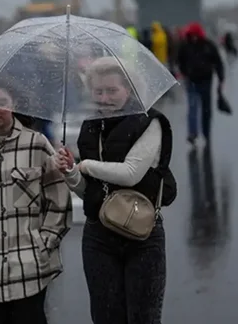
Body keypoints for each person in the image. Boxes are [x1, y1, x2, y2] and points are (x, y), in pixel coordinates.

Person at [54, 56, 177, 324]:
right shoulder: (90, 127)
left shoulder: (151, 122)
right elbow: (88, 192)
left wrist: (85, 165)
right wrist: (70, 172)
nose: (104, 98)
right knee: (105, 317)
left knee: (143, 318)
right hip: (99, 235)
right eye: (98, 91)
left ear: (129, 89)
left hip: (142, 233)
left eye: (112, 90)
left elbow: (131, 174)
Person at [0, 83, 72, 324]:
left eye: (1, 104)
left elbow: (59, 198)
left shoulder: (36, 143)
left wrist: (45, 243)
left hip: (30, 270)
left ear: (14, 105)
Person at [176, 22, 225, 146]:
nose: (193, 38)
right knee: (193, 108)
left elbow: (218, 62)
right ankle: (193, 133)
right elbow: (180, 61)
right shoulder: (186, 46)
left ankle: (206, 133)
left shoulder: (207, 45)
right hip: (192, 81)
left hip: (205, 81)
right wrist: (185, 72)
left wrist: (221, 78)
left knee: (206, 109)